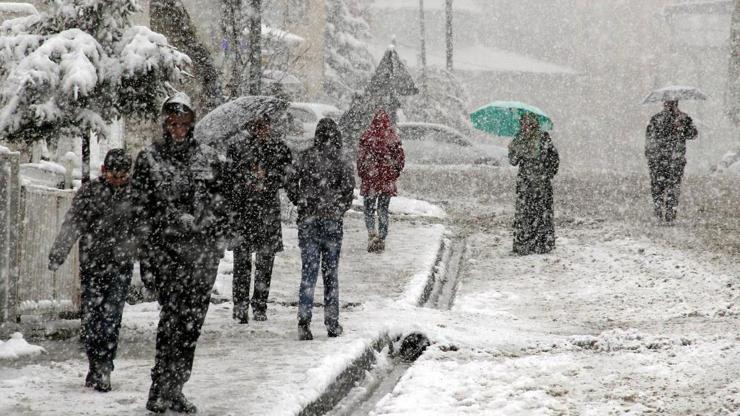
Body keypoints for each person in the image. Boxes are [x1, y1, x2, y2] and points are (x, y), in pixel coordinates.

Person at [131, 92, 226, 414]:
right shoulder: (149, 159)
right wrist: (148, 257)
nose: (178, 129)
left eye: (183, 123)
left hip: (201, 256)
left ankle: (176, 388)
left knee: (191, 327)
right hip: (167, 254)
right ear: (164, 123)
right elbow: (141, 211)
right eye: (172, 123)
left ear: (192, 124)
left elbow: (221, 203)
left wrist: (206, 224)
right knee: (172, 322)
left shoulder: (208, 158)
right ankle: (159, 387)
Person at [48, 149, 134, 392]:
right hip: (94, 264)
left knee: (112, 318)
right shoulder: (90, 192)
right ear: (104, 171)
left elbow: (145, 230)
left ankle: (105, 366)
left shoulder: (135, 194)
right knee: (93, 318)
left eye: (123, 175)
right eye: (114, 174)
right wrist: (59, 252)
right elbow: (73, 223)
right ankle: (95, 363)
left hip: (121, 265)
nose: (118, 179)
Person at [287, 118, 355, 341]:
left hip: (308, 220)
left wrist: (300, 200)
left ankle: (304, 321)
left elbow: (289, 181)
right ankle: (332, 322)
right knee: (330, 274)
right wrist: (338, 207)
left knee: (309, 272)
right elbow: (348, 188)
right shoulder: (341, 159)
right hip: (332, 222)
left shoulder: (305, 156)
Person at [223, 113, 292, 323]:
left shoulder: (279, 148)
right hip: (244, 211)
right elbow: (229, 179)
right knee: (242, 262)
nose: (261, 130)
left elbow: (286, 175)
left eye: (265, 126)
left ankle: (260, 305)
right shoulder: (237, 148)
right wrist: (247, 179)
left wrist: (268, 177)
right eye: (257, 126)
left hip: (266, 212)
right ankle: (241, 306)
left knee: (265, 261)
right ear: (251, 127)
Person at [508, 113, 559, 255]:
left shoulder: (543, 137)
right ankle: (524, 244)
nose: (526, 126)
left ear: (534, 124)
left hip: (541, 183)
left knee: (541, 212)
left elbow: (553, 157)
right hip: (525, 182)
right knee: (525, 213)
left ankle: (542, 244)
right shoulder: (519, 138)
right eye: (523, 123)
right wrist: (512, 150)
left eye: (529, 123)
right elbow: (513, 161)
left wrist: (547, 173)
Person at [356, 109, 405, 253]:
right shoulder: (393, 138)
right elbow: (400, 159)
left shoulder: (367, 137)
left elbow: (360, 158)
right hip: (386, 180)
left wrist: (363, 174)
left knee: (369, 209)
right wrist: (394, 173)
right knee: (383, 209)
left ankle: (371, 233)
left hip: (371, 180)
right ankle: (382, 237)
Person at [645, 100, 698, 223]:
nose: (669, 106)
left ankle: (669, 214)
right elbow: (649, 137)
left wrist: (682, 128)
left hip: (674, 159)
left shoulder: (683, 118)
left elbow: (693, 134)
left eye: (671, 103)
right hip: (660, 159)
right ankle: (660, 213)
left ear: (676, 104)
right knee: (659, 187)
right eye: (667, 103)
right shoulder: (656, 119)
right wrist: (650, 155)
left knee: (671, 187)